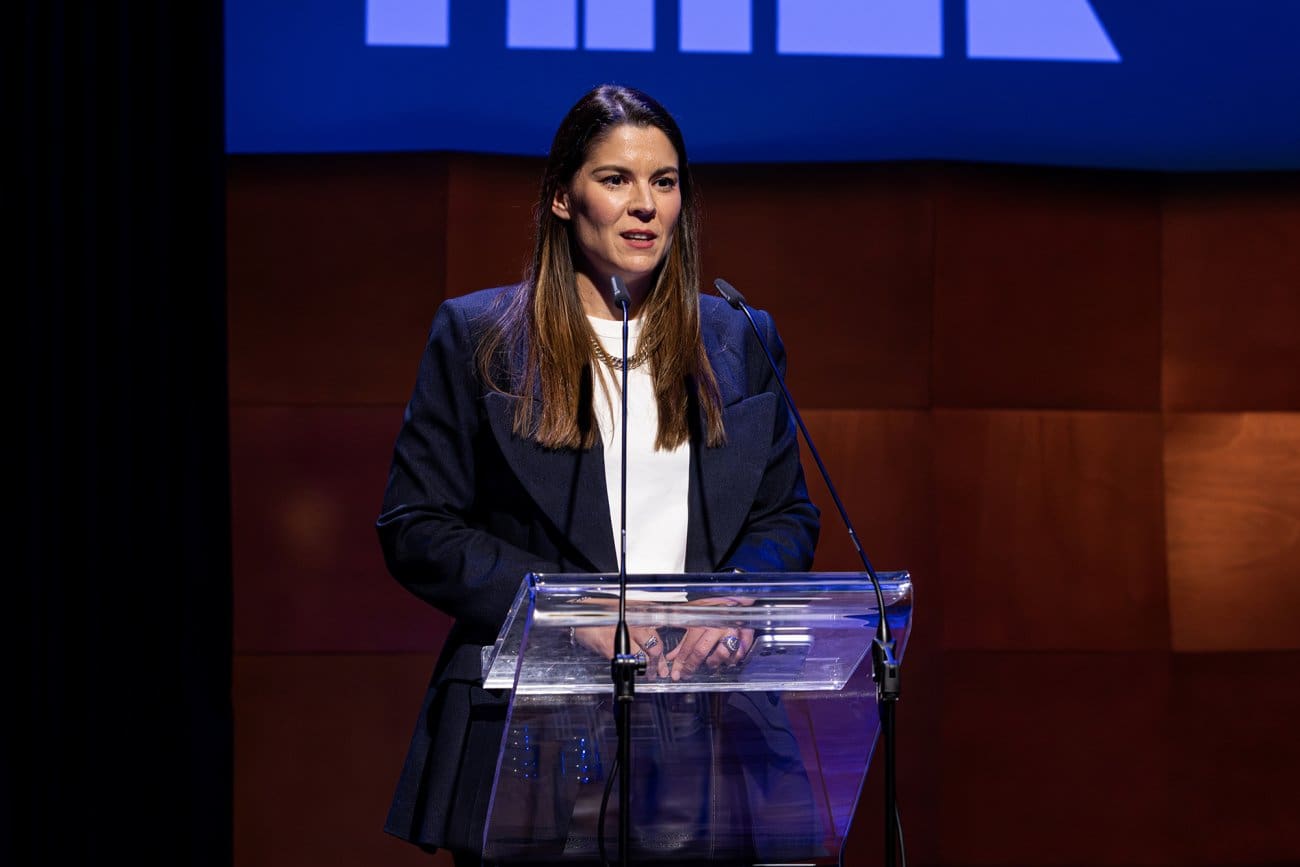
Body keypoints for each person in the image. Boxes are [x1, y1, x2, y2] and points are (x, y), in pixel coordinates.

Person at [377, 83, 820, 865]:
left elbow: (787, 516)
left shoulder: (740, 338)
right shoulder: (480, 337)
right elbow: (417, 527)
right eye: (616, 179)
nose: (645, 203)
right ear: (562, 197)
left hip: (707, 732)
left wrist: (738, 599)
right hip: (535, 737)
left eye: (664, 181)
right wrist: (566, 610)